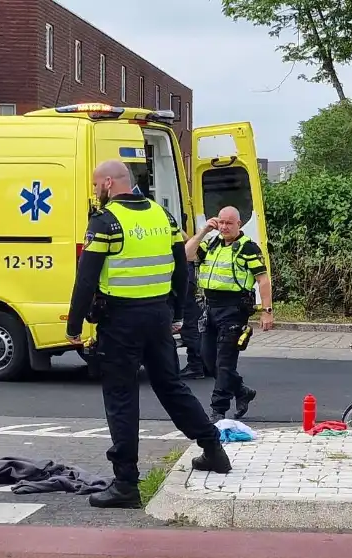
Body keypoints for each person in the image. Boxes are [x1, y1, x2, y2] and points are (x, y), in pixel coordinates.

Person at [66, 160, 230, 509]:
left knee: (121, 397)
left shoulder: (106, 221)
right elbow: (182, 268)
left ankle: (126, 483)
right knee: (171, 386)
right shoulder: (162, 215)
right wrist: (174, 311)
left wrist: (74, 324)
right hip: (157, 316)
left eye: (97, 185)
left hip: (121, 321)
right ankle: (212, 447)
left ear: (109, 183)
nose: (95, 191)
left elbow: (86, 279)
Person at [185, 206, 274, 420]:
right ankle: (242, 391)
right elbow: (187, 254)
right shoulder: (212, 243)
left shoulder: (248, 248)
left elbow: (263, 280)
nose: (224, 227)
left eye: (229, 223)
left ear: (238, 225)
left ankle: (218, 411)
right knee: (208, 361)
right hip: (209, 308)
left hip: (234, 310)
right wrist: (204, 231)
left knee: (225, 363)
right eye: (221, 222)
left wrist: (267, 311)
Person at [177, 258, 205, 379]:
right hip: (186, 280)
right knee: (193, 329)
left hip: (184, 284)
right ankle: (201, 365)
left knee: (190, 330)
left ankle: (196, 367)